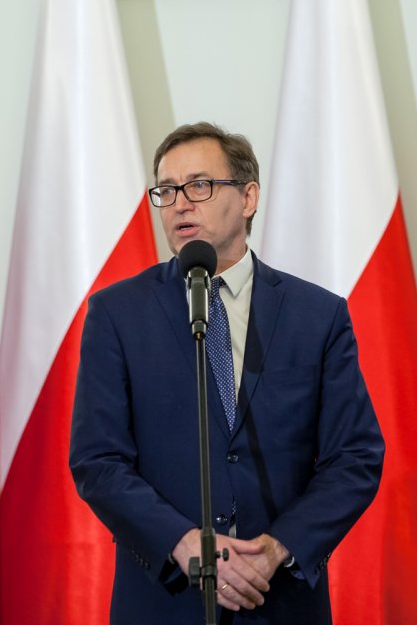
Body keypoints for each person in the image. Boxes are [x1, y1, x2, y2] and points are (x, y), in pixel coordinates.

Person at [69, 122, 384, 624]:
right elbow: (97, 459)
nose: (179, 204)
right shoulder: (117, 314)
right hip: (165, 602)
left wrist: (277, 548)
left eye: (199, 185)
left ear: (248, 198)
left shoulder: (316, 316)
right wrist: (183, 542)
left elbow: (355, 457)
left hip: (278, 600)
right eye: (166, 190)